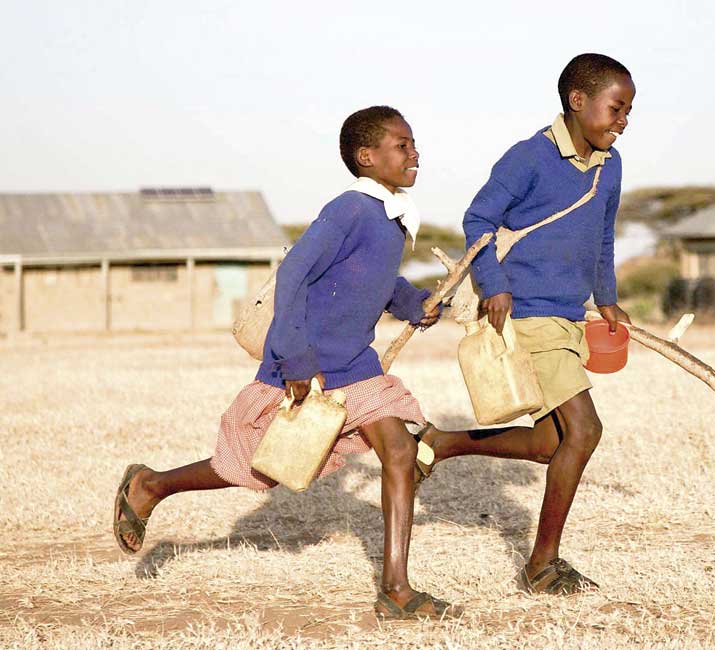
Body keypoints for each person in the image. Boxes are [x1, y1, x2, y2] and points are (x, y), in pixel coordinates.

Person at [111, 106, 460, 620]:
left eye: (413, 144)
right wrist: (296, 357)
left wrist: (415, 304)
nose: (415, 154)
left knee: (400, 453)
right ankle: (151, 485)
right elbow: (294, 273)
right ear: (368, 157)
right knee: (257, 469)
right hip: (306, 364)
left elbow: (375, 283)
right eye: (402, 145)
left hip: (356, 367)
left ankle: (395, 589)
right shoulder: (350, 209)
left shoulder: (390, 220)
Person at [414, 53, 636, 595]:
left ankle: (441, 443)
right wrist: (494, 284)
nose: (622, 120)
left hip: (568, 317)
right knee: (585, 432)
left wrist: (606, 299)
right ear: (577, 102)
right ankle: (541, 565)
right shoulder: (529, 157)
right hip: (528, 315)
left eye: (629, 111)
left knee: (546, 444)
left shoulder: (612, 167)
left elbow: (603, 237)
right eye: (615, 108)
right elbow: (479, 219)